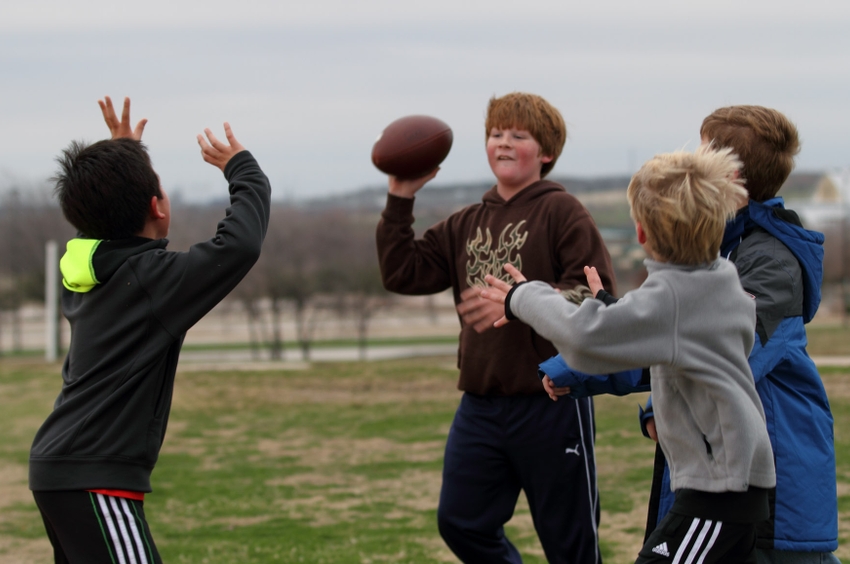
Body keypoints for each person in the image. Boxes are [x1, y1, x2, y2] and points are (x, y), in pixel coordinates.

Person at [480, 145, 777, 563]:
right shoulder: (720, 279)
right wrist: (611, 307)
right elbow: (677, 337)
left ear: (640, 233)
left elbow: (582, 339)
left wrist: (523, 296)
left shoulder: (673, 296)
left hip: (719, 489)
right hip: (739, 481)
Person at [28, 96, 271, 563]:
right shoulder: (150, 281)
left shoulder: (84, 272)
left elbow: (102, 222)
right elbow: (239, 246)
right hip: (93, 476)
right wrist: (244, 170)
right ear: (157, 207)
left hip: (62, 467)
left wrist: (124, 157)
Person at [375, 92, 615, 563]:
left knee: (570, 543)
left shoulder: (563, 212)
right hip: (481, 405)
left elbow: (597, 296)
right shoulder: (465, 222)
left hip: (553, 401)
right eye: (495, 134)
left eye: (518, 135)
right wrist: (400, 197)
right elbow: (402, 273)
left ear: (546, 152)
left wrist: (523, 303)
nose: (503, 142)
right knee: (460, 523)